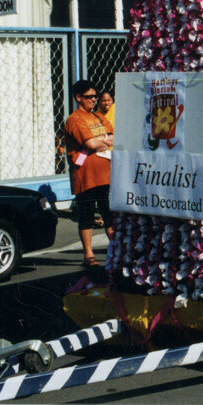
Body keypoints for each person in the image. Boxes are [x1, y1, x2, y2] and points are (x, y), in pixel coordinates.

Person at [64, 80, 114, 267]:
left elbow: (115, 136)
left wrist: (101, 139)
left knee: (108, 213)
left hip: (104, 174)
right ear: (78, 98)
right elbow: (90, 144)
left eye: (95, 96)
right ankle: (88, 255)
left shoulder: (99, 118)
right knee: (86, 215)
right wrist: (104, 140)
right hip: (85, 175)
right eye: (89, 97)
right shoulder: (75, 120)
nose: (94, 100)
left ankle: (115, 250)